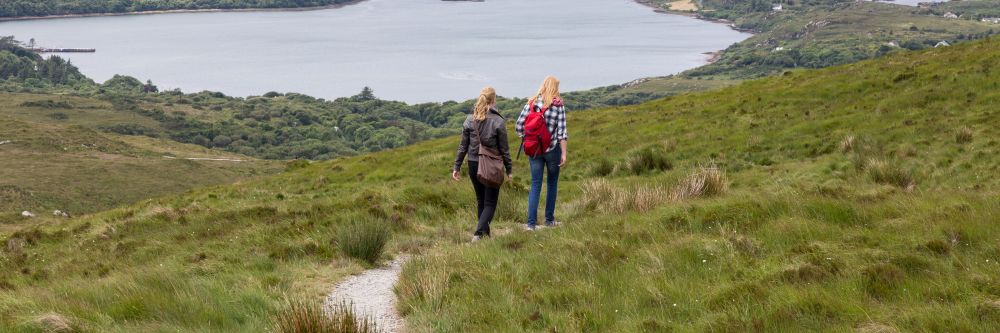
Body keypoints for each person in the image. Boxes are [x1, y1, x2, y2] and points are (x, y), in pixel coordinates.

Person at [452, 87, 513, 241]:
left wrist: (457, 167)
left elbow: (462, 146)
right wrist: (509, 169)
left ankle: (485, 236)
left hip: (472, 164)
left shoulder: (469, 119)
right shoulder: (498, 121)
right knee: (490, 202)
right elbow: (504, 149)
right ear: (494, 100)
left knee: (481, 201)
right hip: (491, 165)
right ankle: (478, 234)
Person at [516, 76, 568, 230]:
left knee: (535, 184)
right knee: (552, 183)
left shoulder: (531, 103)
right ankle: (549, 220)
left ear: (543, 86)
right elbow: (562, 133)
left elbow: (519, 127)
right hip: (552, 150)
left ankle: (531, 224)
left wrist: (529, 139)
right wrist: (564, 153)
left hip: (534, 151)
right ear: (555, 88)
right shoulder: (558, 105)